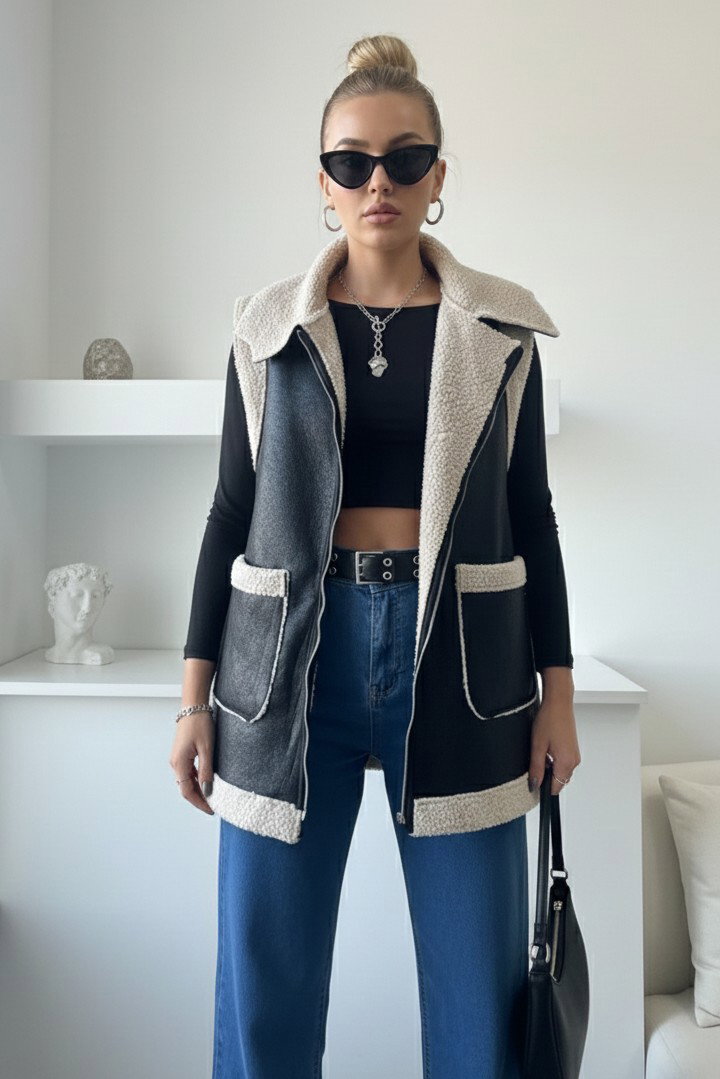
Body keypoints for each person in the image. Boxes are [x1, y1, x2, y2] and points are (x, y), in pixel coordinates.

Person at [169, 32, 580, 1079]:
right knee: (264, 987)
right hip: (286, 667)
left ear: (438, 176)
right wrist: (192, 700)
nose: (378, 182)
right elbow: (228, 514)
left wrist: (559, 695)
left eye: (405, 158)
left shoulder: (499, 333)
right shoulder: (266, 330)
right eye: (351, 161)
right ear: (323, 182)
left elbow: (532, 515)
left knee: (479, 997)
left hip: (462, 663)